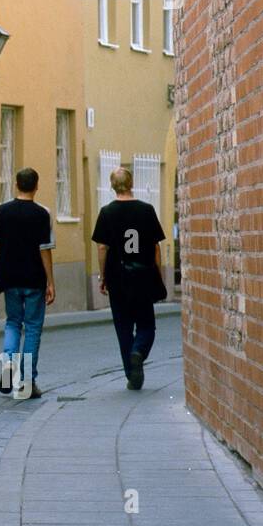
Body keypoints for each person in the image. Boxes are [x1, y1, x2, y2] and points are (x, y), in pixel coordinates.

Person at [91, 167, 167, 390]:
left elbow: (102, 247)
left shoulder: (106, 212)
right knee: (146, 325)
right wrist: (158, 273)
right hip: (143, 274)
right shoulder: (146, 210)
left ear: (113, 186)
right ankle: (139, 351)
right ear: (132, 183)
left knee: (123, 327)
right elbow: (155, 247)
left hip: (118, 276)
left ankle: (131, 372)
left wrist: (102, 275)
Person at [0, 168, 56, 399]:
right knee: (34, 328)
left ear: (16, 185)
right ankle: (27, 381)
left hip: (9, 277)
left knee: (13, 323)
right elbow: (45, 251)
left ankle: (8, 363)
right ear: (36, 186)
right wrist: (50, 282)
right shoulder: (42, 214)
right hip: (34, 279)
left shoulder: (2, 211)